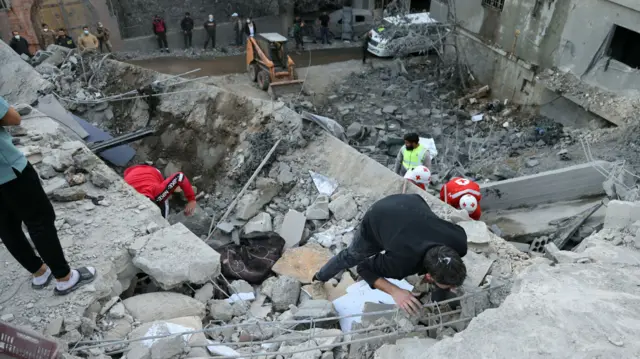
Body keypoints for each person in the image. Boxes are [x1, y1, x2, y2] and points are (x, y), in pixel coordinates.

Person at [0, 96, 96, 296]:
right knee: (39, 220)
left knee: (7, 226)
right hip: (9, 169)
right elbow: (13, 118)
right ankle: (65, 278)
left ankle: (39, 272)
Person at [313, 194, 467, 315]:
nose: (455, 287)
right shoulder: (401, 264)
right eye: (451, 285)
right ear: (429, 276)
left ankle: (438, 298)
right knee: (351, 255)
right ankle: (319, 277)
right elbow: (363, 268)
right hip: (378, 217)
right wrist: (396, 292)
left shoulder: (459, 241)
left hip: (411, 203)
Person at [123, 164, 197, 218]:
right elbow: (179, 177)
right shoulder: (154, 190)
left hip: (149, 173)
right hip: (135, 175)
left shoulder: (155, 191)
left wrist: (191, 200)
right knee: (162, 197)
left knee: (162, 198)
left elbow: (179, 177)